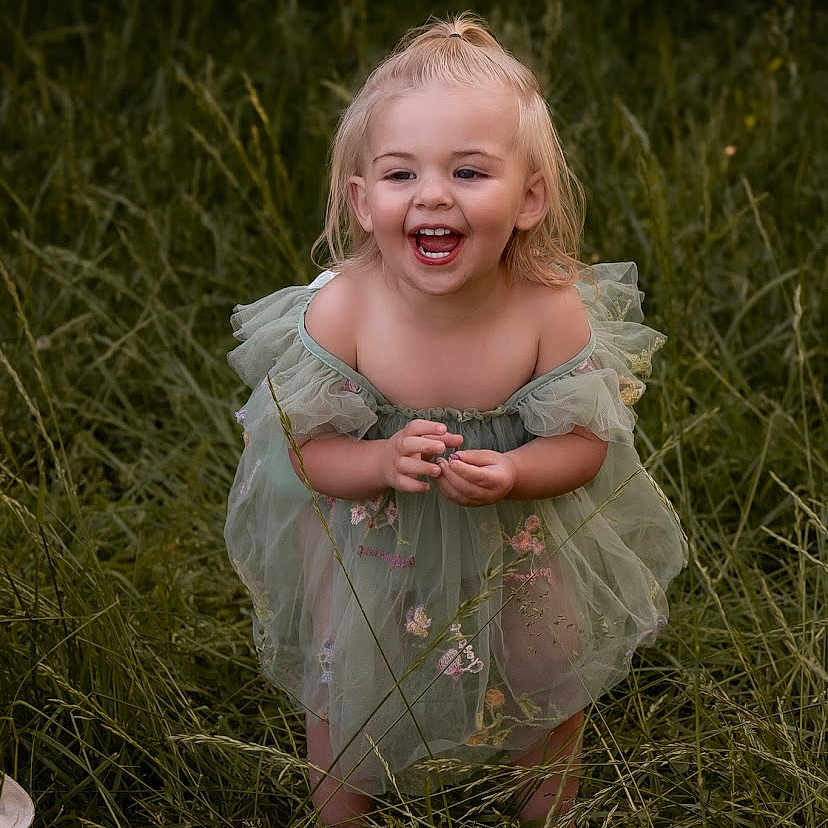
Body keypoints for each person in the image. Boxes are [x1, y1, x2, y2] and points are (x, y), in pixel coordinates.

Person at [224, 13, 687, 827]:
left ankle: (547, 808)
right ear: (363, 204)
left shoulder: (546, 311)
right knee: (351, 679)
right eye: (402, 176)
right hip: (372, 539)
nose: (433, 194)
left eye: (470, 172)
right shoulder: (346, 312)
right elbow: (307, 452)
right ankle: (343, 814)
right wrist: (378, 464)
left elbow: (584, 445)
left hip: (518, 533)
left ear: (530, 198)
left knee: (547, 669)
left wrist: (515, 470)